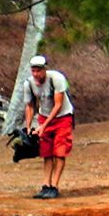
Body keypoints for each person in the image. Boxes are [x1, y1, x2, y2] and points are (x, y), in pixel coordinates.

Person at [24, 54, 74, 198]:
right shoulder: (29, 83)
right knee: (46, 152)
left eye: (38, 70)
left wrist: (44, 126)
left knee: (59, 151)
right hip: (44, 116)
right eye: (33, 70)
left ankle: (54, 186)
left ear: (45, 69)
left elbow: (58, 104)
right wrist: (28, 128)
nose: (35, 74)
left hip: (62, 117)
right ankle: (46, 185)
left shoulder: (57, 79)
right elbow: (29, 106)